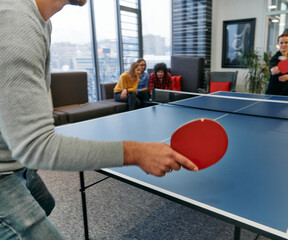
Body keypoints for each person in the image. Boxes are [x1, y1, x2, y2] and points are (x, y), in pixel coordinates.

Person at [0, 0, 198, 239]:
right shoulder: (14, 20)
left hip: (16, 161)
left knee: (45, 204)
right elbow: (36, 146)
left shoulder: (43, 23)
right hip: (4, 174)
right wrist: (136, 152)